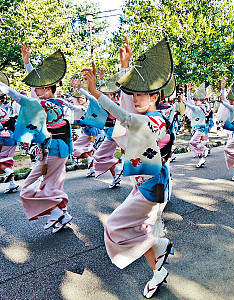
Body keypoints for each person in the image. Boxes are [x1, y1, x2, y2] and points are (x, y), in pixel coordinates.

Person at [82, 37, 174, 299]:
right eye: (134, 93)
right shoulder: (144, 117)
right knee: (138, 230)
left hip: (152, 188)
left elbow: (125, 116)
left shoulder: (156, 121)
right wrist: (125, 68)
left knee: (115, 227)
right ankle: (158, 270)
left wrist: (97, 93)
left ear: (156, 95)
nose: (135, 98)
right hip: (146, 186)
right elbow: (125, 110)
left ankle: (160, 245)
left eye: (141, 93)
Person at [0, 45, 74, 233]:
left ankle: (58, 213)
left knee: (26, 189)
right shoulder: (58, 102)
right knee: (52, 184)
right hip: (58, 150)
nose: (34, 91)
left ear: (47, 89)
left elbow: (19, 98)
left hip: (51, 152)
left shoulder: (46, 104)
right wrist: (27, 63)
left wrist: (2, 85)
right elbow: (35, 88)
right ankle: (60, 214)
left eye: (38, 89)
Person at [184, 83, 209, 167]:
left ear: (201, 100)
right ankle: (201, 159)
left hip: (201, 129)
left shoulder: (203, 107)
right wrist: (188, 90)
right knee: (197, 144)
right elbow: (189, 102)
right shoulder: (199, 106)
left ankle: (205, 148)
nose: (195, 101)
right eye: (194, 100)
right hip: (197, 128)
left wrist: (184, 103)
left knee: (192, 143)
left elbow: (192, 107)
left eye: (196, 100)